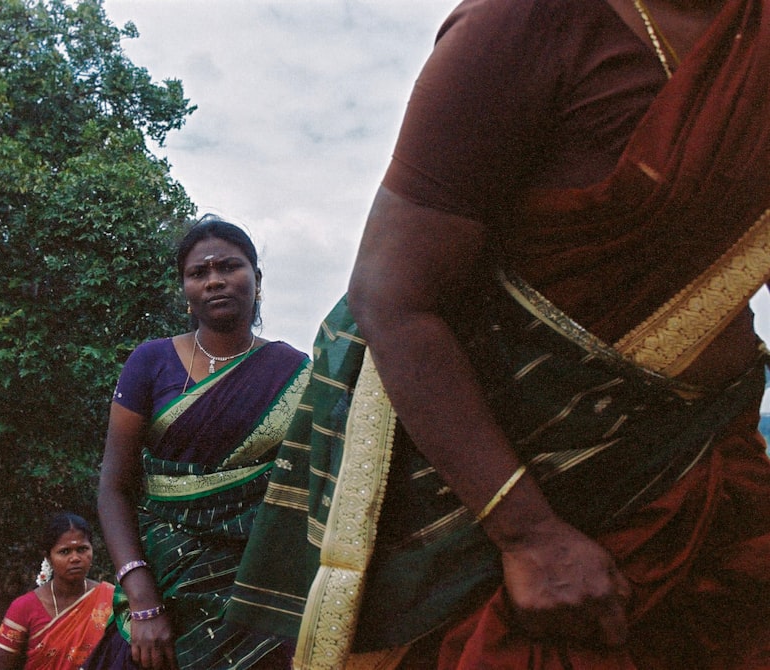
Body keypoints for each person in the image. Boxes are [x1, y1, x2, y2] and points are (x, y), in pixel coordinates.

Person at [227, 0, 770, 667]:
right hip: (525, 514)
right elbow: (392, 295)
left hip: (711, 475)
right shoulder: (526, 22)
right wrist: (529, 534)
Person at [84, 215, 311, 670]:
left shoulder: (294, 372)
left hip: (257, 599)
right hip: (162, 591)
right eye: (198, 273)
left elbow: (308, 487)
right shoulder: (151, 362)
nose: (214, 280)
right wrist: (142, 596)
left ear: (257, 280)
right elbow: (114, 486)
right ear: (185, 291)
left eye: (229, 266)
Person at [0, 512, 114, 670]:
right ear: (48, 557)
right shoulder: (23, 608)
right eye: (65, 551)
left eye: (82, 549)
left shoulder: (111, 599)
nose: (75, 558)